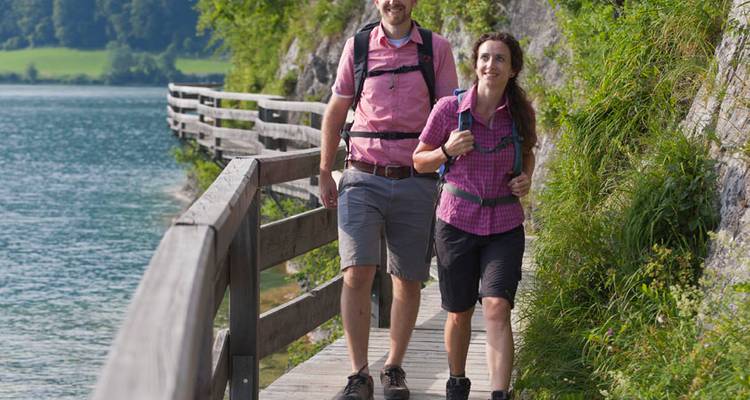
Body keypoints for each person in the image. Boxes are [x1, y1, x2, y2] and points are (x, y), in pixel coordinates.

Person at [318, 1, 458, 399]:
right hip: (362, 175)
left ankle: (393, 367)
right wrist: (325, 170)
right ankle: (358, 374)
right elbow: (336, 110)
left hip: (418, 179)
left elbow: (450, 112)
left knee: (408, 279)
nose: (394, 1)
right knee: (355, 272)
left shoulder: (436, 49)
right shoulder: (358, 47)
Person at [412, 32, 537, 400]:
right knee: (459, 312)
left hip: (505, 225)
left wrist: (525, 177)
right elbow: (418, 161)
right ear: (475, 64)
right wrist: (446, 151)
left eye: (500, 59)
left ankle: (499, 393)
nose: (490, 65)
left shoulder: (521, 113)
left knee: (497, 306)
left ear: (512, 69)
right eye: (484, 57)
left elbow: (528, 152)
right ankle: (457, 381)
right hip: (456, 223)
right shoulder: (448, 110)